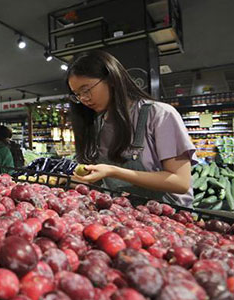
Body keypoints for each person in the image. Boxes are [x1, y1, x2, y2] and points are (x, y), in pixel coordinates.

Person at [67, 50, 196, 206]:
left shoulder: (159, 114)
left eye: (86, 89)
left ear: (111, 79)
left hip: (168, 217)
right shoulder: (97, 123)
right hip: (124, 216)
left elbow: (180, 182)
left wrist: (114, 171)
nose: (84, 99)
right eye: (77, 94)